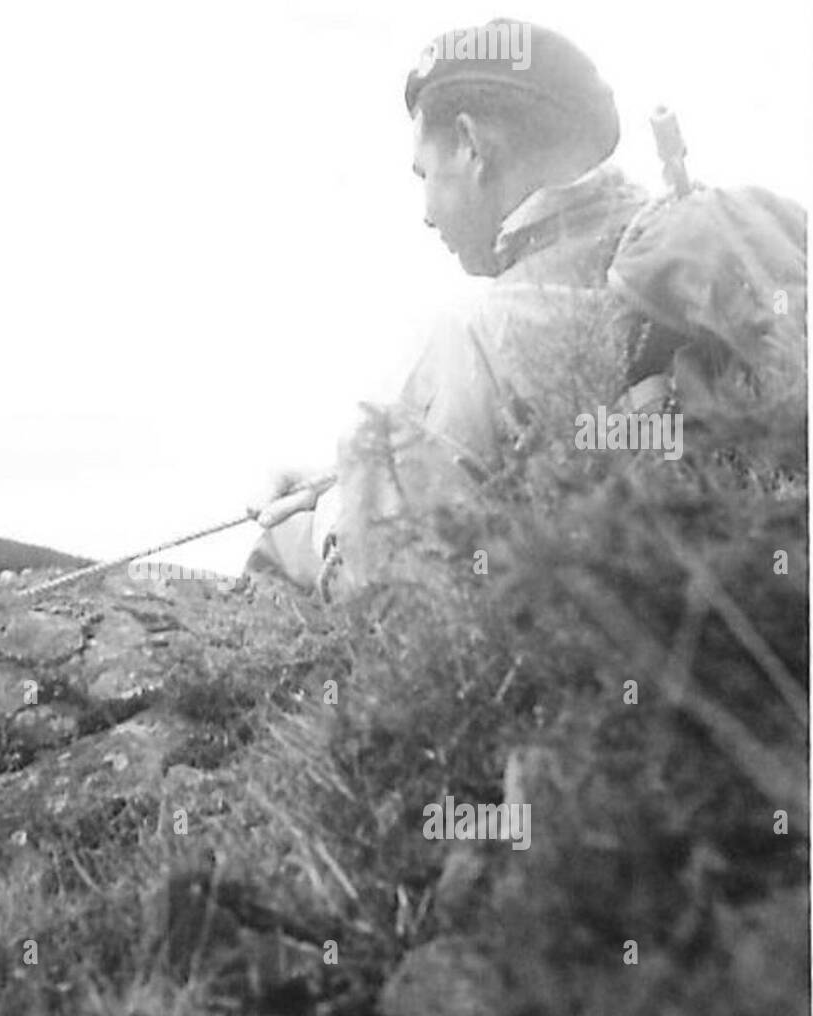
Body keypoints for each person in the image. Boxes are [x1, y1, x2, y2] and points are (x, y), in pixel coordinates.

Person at [247, 19, 653, 595]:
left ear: (470, 144)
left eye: (425, 174)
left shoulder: (478, 338)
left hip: (559, 666)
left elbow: (391, 587)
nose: (427, 214)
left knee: (279, 542)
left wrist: (324, 521)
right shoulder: (684, 264)